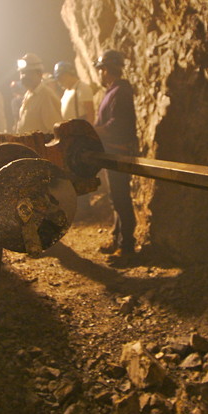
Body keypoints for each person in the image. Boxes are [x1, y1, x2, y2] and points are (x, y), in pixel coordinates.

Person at [94, 49, 138, 262]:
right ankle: (117, 238)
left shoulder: (120, 92)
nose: (99, 73)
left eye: (100, 69)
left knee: (122, 198)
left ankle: (127, 247)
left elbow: (118, 125)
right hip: (112, 152)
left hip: (119, 153)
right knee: (117, 198)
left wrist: (94, 130)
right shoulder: (113, 91)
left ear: (105, 69)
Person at [15, 53, 63, 134]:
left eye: (28, 73)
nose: (23, 76)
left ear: (39, 74)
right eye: (22, 73)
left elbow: (55, 131)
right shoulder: (28, 95)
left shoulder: (46, 96)